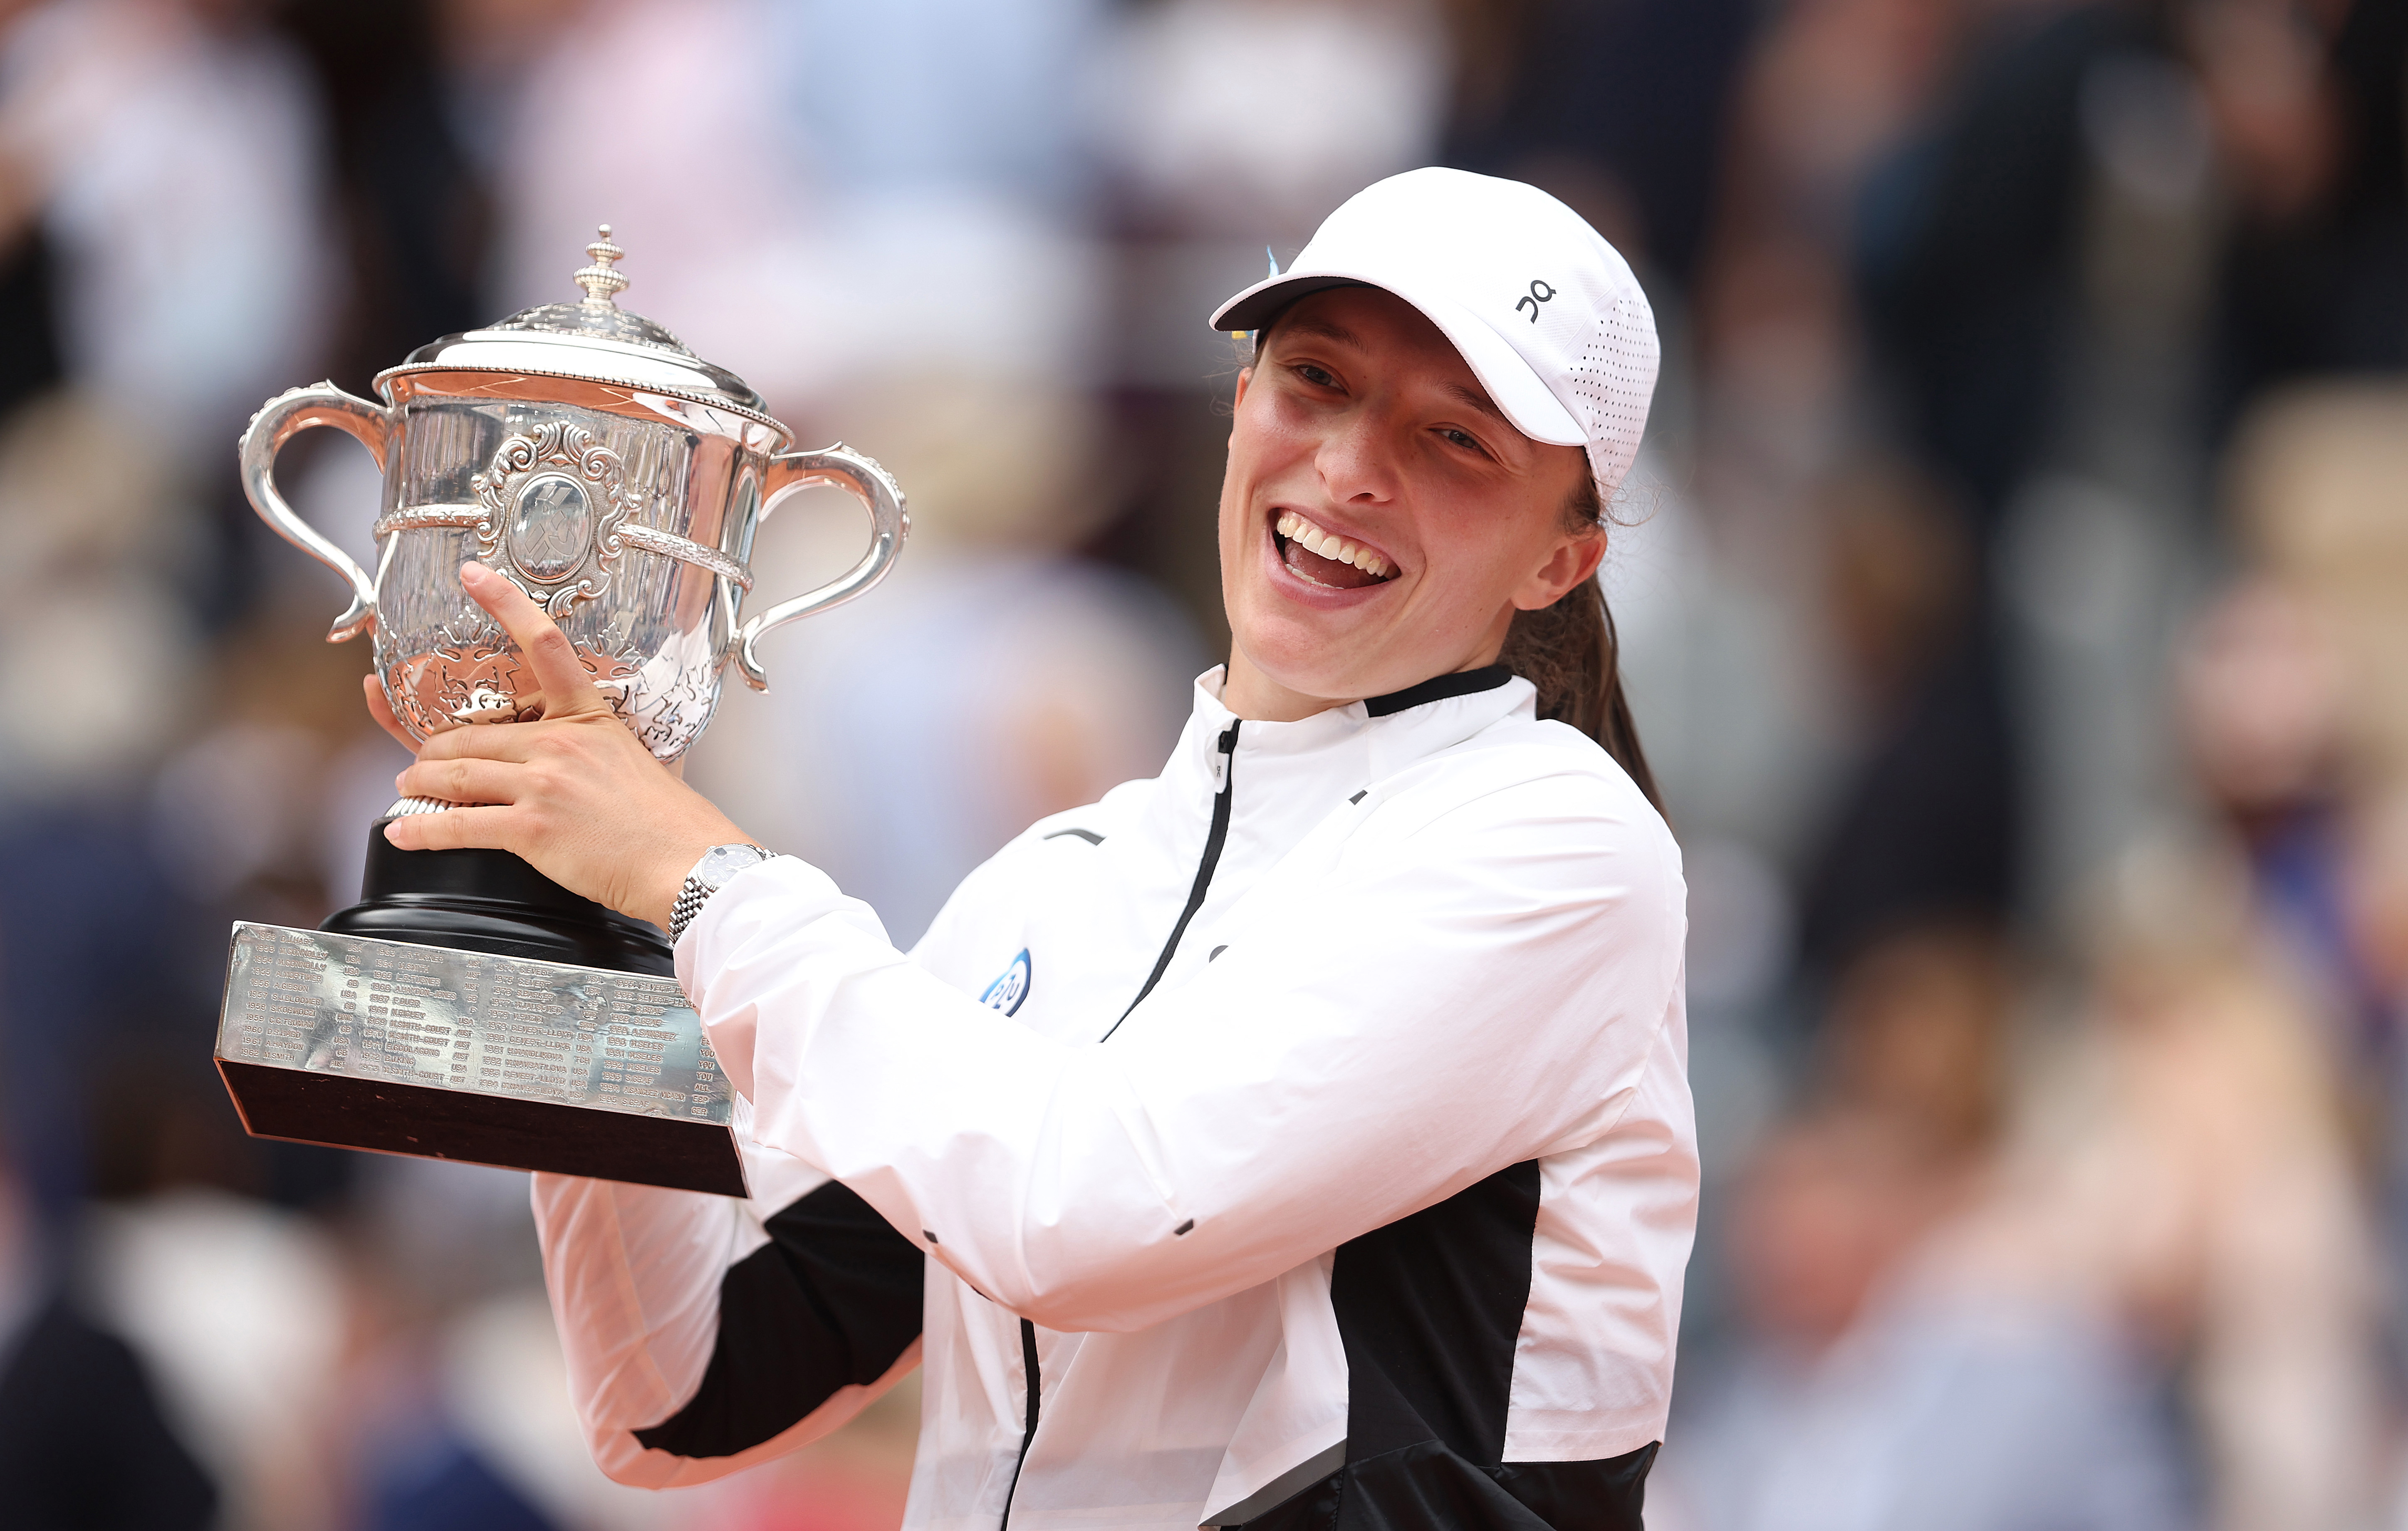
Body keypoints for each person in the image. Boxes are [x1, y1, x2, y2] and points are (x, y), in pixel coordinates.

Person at [370, 168, 1696, 1531]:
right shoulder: (1058, 879)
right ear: (1240, 403)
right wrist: (598, 917)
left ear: (1563, 559)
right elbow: (679, 1395)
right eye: (1317, 380)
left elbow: (1087, 1215)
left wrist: (699, 880)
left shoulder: (1561, 843)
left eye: (1458, 440)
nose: (1352, 469)